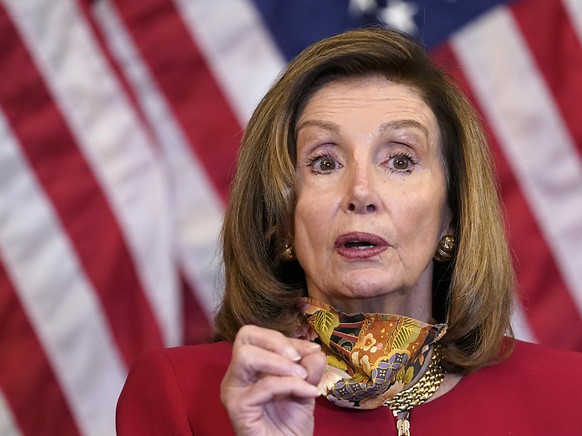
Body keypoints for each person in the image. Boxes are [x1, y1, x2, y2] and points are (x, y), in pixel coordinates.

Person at [116, 27, 582, 435]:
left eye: (400, 160)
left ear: (453, 215)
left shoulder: (568, 396)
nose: (360, 190)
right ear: (281, 216)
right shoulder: (183, 395)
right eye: (324, 162)